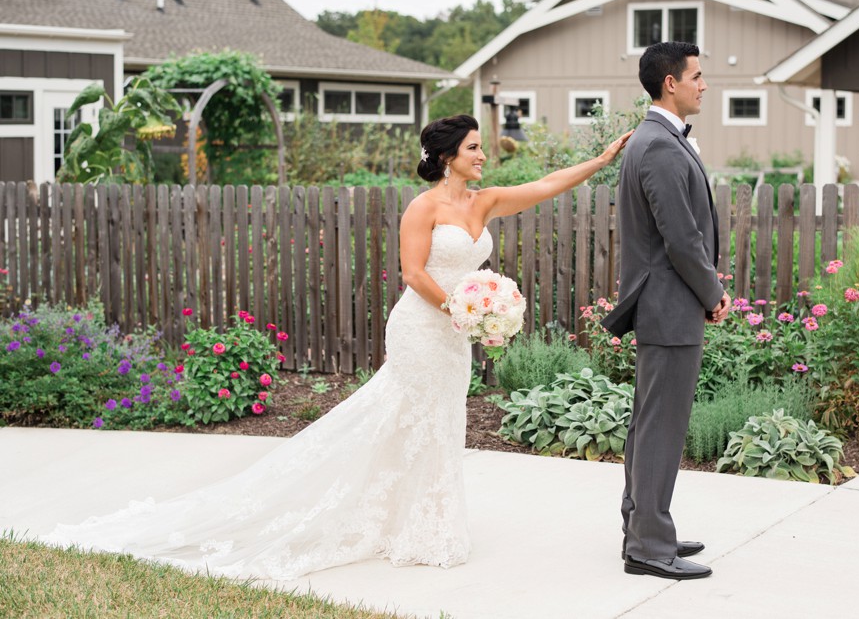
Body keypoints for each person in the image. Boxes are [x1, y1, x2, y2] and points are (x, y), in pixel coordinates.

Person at [41, 114, 631, 580]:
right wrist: (461, 310)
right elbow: (413, 272)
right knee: (407, 420)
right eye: (475, 147)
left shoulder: (485, 202)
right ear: (450, 155)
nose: (483, 156)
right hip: (423, 329)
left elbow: (548, 184)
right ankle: (406, 526)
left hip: (456, 337)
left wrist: (602, 158)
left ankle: (424, 523)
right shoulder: (422, 207)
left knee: (441, 423)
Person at [601, 42, 731, 580]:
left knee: (651, 423)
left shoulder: (657, 138)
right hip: (669, 305)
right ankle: (649, 546)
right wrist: (713, 293)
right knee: (661, 427)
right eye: (697, 76)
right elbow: (681, 239)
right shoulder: (657, 146)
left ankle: (645, 527)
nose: (704, 85)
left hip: (665, 305)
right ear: (670, 83)